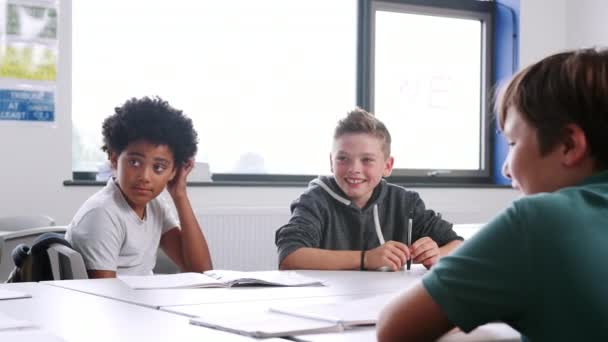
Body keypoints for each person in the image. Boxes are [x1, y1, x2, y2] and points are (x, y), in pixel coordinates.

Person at [377, 48, 608, 341]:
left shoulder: (538, 221)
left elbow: (394, 328)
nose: (506, 168)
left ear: (568, 145)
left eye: (512, 143)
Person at [275, 108, 462, 271]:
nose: (354, 168)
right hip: (328, 302)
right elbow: (289, 257)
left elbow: (459, 244)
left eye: (367, 160)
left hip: (387, 300)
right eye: (343, 158)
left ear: (387, 166)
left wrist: (438, 254)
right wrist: (366, 258)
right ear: (331, 162)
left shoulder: (405, 203)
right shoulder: (314, 200)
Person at [66, 97, 213, 278]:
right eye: (134, 162)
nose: (144, 177)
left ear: (173, 172)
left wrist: (179, 195)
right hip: (119, 304)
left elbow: (200, 271)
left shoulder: (155, 205)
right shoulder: (102, 214)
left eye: (158, 167)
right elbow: (103, 298)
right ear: (114, 159)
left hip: (142, 301)